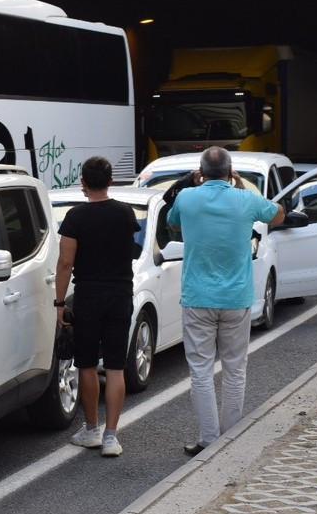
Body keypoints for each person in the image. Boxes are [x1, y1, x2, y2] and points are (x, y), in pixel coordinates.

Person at [167, 147, 284, 456]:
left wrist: (194, 186)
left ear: (201, 171)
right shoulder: (245, 199)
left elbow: (174, 222)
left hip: (198, 297)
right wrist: (242, 186)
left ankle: (208, 438)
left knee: (201, 370)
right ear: (231, 172)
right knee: (235, 368)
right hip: (236, 297)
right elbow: (279, 213)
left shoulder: (188, 198)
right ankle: (230, 438)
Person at [55, 156, 140, 458]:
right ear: (111, 181)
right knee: (116, 366)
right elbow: (129, 250)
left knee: (87, 364)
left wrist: (59, 302)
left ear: (83, 183)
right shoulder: (125, 213)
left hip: (89, 296)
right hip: (120, 295)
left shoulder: (75, 217)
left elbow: (66, 263)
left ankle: (91, 429)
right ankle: (111, 437)